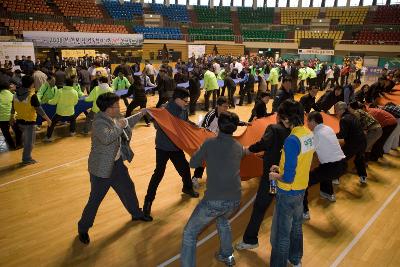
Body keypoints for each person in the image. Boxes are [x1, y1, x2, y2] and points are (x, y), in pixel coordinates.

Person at [77, 93, 152, 245]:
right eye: (116, 105)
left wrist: (141, 113)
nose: (119, 107)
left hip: (117, 165)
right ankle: (83, 228)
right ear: (107, 108)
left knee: (128, 188)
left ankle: (136, 214)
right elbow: (107, 138)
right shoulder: (98, 122)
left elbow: (127, 122)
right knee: (95, 200)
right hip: (101, 169)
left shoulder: (116, 116)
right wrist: (119, 126)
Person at [181, 111, 246, 267]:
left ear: (219, 127)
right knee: (223, 220)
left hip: (214, 201)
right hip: (235, 200)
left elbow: (192, 163)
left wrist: (201, 150)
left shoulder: (210, 143)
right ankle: (227, 255)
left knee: (189, 234)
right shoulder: (238, 147)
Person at [268, 100, 315, 267]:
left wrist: (275, 176)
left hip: (287, 192)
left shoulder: (292, 140)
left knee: (282, 234)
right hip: (301, 189)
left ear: (288, 118)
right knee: (296, 227)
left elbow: (287, 177)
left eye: (282, 118)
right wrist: (279, 168)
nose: (281, 122)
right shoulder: (308, 134)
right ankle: (295, 259)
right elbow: (300, 162)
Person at [235, 112, 291, 251]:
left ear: (279, 118)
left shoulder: (274, 129)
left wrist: (248, 150)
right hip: (287, 177)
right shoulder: (294, 132)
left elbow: (263, 143)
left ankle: (250, 239)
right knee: (285, 208)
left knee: (260, 206)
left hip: (272, 177)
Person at [144, 89, 199, 219]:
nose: (186, 103)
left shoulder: (183, 110)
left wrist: (193, 125)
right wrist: (163, 120)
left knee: (185, 168)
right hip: (163, 147)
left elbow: (184, 123)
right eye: (185, 101)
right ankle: (148, 202)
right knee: (158, 174)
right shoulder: (164, 110)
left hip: (176, 147)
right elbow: (157, 126)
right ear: (177, 99)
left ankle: (187, 188)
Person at [302, 111, 347, 220]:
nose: (307, 124)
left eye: (308, 122)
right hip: (342, 165)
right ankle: (328, 193)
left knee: (303, 183)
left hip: (331, 168)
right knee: (322, 169)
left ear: (313, 121)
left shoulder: (316, 135)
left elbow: (303, 150)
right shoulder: (328, 128)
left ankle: (304, 211)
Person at [12, 75, 51, 164]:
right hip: (29, 123)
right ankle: (26, 159)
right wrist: (48, 119)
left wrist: (11, 117)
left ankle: (26, 157)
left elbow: (12, 107)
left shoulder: (15, 94)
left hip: (18, 121)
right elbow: (39, 109)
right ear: (32, 84)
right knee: (29, 143)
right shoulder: (32, 96)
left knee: (26, 141)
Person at [334, 101, 367, 184]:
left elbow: (343, 134)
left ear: (341, 110)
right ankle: (363, 176)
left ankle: (336, 178)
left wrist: (332, 136)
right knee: (359, 158)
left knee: (340, 158)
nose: (335, 112)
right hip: (362, 141)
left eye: (336, 110)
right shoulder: (352, 115)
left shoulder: (344, 119)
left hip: (353, 143)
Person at [0, 80, 17, 150]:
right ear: (8, 87)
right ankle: (19, 143)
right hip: (13, 116)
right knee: (17, 130)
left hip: (1, 118)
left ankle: (12, 146)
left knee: (6, 132)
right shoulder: (13, 95)